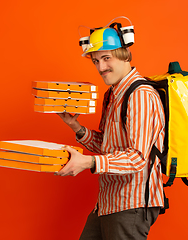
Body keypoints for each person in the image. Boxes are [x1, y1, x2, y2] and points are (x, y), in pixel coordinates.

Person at [55, 24, 166, 240]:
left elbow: (137, 158)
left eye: (106, 58)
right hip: (108, 202)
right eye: (96, 60)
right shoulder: (113, 94)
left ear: (125, 56)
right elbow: (108, 148)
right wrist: (76, 127)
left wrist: (88, 162)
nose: (100, 67)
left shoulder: (140, 95)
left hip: (131, 204)